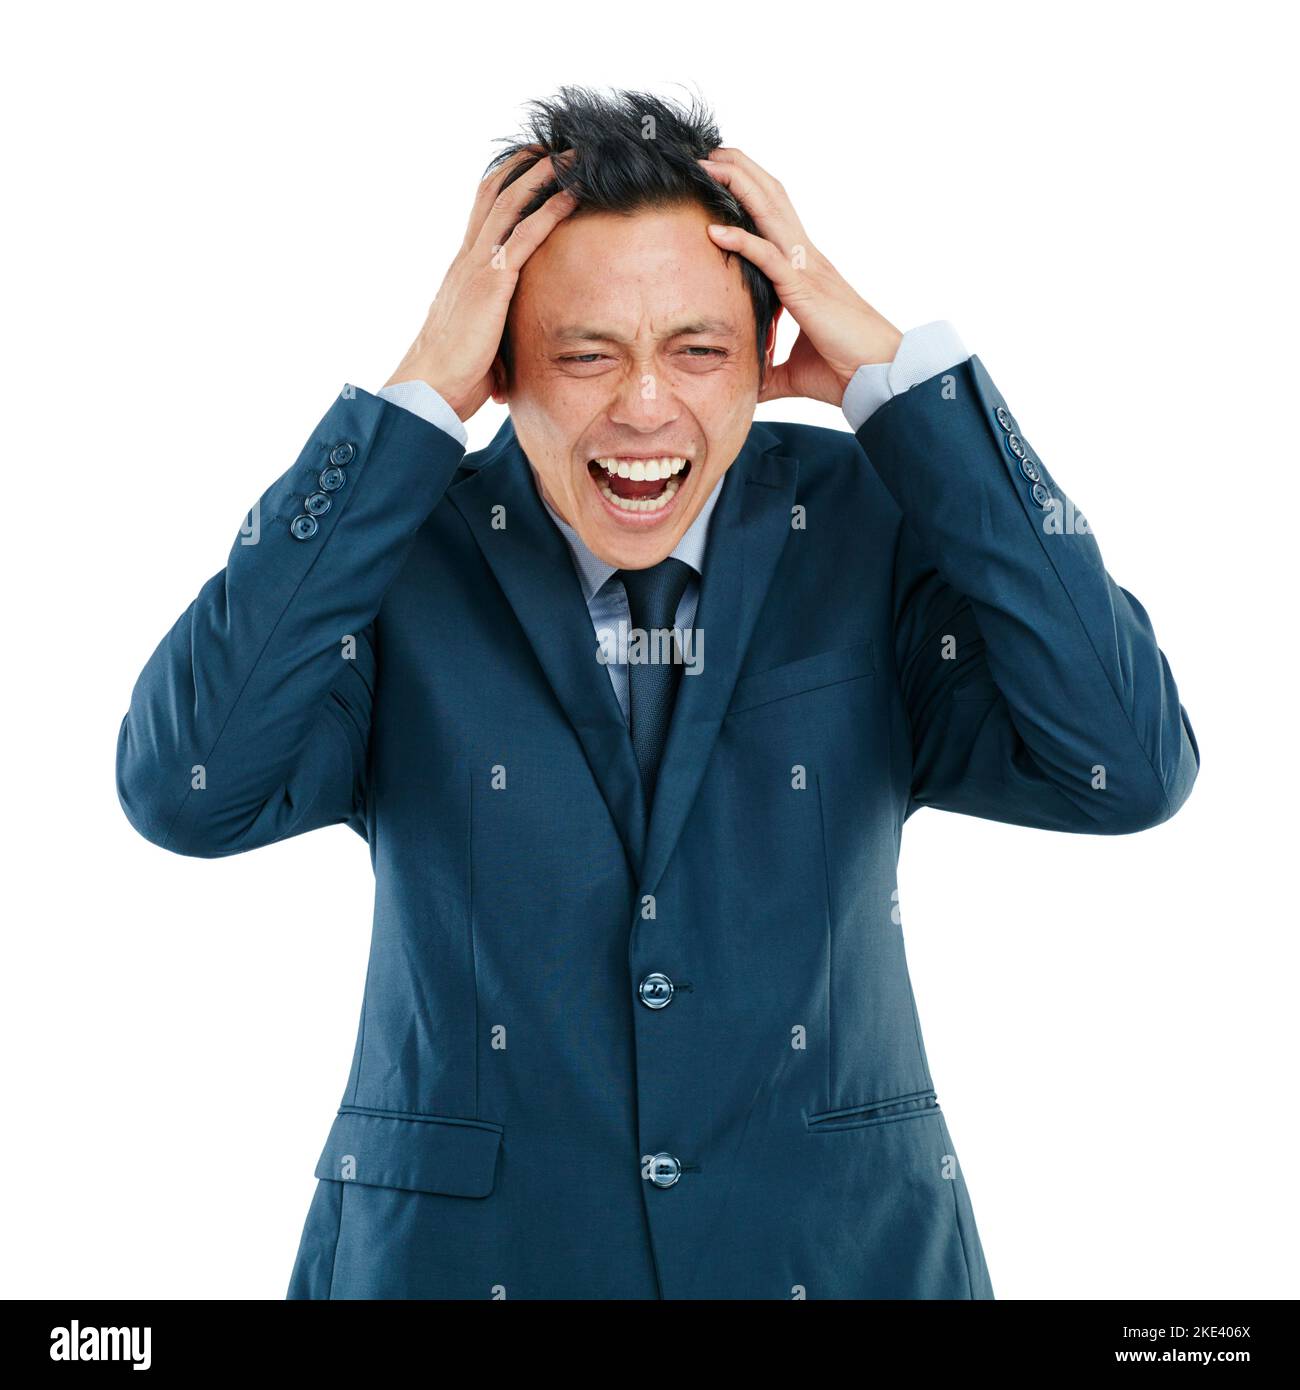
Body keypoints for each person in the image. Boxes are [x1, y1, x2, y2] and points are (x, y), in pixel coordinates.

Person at [116, 86, 1199, 1300]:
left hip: (835, 1258)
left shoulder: (863, 520)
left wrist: (906, 388)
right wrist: (412, 395)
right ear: (503, 367)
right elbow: (186, 788)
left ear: (764, 356)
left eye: (697, 350)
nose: (643, 408)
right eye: (583, 354)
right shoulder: (397, 548)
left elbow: (1127, 763)